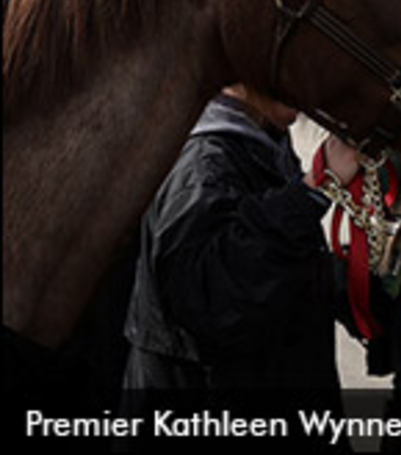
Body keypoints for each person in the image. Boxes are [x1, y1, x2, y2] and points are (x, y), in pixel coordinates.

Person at [120, 85, 359, 448]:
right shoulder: (203, 161)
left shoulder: (260, 144)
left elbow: (277, 276)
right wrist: (311, 193)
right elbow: (212, 296)